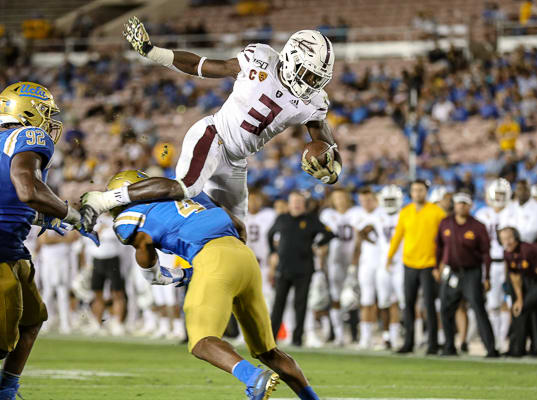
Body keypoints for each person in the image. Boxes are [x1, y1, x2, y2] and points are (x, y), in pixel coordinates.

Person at [80, 17, 342, 230]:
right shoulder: (259, 58)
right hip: (214, 135)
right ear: (290, 58)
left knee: (238, 230)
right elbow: (199, 65)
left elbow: (327, 146)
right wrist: (152, 51)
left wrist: (331, 172)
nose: (312, 84)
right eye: (308, 74)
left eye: (318, 79)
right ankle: (102, 200)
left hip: (237, 161)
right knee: (186, 187)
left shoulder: (313, 101)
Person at [107, 170, 321, 400]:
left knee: (201, 341)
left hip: (212, 259)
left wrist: (153, 275)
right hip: (244, 257)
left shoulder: (131, 214)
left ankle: (253, 377)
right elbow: (238, 225)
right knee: (269, 351)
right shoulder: (194, 196)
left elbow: (144, 243)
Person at [0, 82, 97, 400]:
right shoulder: (28, 136)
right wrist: (71, 214)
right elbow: (26, 188)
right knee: (1, 341)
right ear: (25, 110)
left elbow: (13, 197)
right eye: (45, 112)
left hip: (13, 247)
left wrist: (43, 217)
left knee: (32, 321)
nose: (49, 122)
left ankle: (7, 390)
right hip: (1, 249)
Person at [386, 179, 446, 354]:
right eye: (414, 190)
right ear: (410, 193)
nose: (417, 193)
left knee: (429, 305)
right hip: (409, 263)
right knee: (409, 304)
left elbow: (443, 241)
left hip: (429, 264)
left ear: (426, 192)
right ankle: (409, 342)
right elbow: (398, 235)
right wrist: (389, 256)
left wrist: (440, 263)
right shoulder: (405, 212)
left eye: (420, 190)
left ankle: (433, 344)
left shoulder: (436, 212)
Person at [268, 191, 334, 347]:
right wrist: (273, 252)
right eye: (294, 201)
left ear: (304, 204)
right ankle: (271, 339)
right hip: (283, 268)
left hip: (304, 269)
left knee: (301, 305)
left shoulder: (311, 219)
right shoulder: (282, 218)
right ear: (289, 204)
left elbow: (330, 234)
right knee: (278, 305)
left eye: (299, 201)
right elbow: (270, 235)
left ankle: (297, 339)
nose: (296, 204)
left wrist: (317, 245)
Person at [436, 192, 498, 357]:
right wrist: (437, 266)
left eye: (464, 203)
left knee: (478, 308)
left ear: (470, 206)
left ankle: (491, 348)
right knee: (445, 309)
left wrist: (487, 276)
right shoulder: (445, 223)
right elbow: (439, 247)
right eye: (458, 203)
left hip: (471, 272)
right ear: (454, 205)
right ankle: (449, 346)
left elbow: (486, 253)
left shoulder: (477, 226)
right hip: (452, 272)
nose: (461, 206)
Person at [319, 188, 360, 346]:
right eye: (337, 198)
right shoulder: (327, 215)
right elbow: (322, 240)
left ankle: (357, 335)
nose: (340, 201)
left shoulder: (356, 212)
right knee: (336, 297)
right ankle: (339, 335)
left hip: (353, 261)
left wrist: (355, 261)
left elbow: (359, 239)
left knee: (355, 298)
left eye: (343, 197)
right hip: (334, 261)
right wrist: (321, 263)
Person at [475, 178, 513, 350]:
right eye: (496, 193)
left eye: (501, 194)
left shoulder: (513, 212)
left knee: (510, 302)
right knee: (493, 304)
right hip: (489, 263)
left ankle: (505, 339)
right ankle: (495, 341)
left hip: (510, 262)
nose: (498, 197)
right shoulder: (482, 214)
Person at [349, 187, 383, 349]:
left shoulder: (383, 213)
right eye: (362, 201)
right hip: (366, 262)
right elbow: (358, 242)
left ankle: (387, 336)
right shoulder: (357, 215)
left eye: (369, 200)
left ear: (375, 199)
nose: (366, 204)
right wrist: (353, 265)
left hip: (384, 262)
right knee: (366, 300)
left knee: (385, 302)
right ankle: (366, 337)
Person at [499, 227, 537, 357]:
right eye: (503, 239)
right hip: (527, 282)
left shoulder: (529, 249)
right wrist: (519, 299)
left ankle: (517, 348)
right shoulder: (507, 253)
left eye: (509, 238)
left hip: (534, 281)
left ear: (516, 237)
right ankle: (528, 348)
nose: (507, 242)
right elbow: (515, 277)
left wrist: (522, 303)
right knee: (526, 309)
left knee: (522, 309)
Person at [375, 185, 405, 349]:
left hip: (401, 263)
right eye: (387, 200)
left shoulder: (405, 214)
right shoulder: (377, 216)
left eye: (392, 200)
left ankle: (408, 335)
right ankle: (387, 337)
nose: (389, 203)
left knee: (405, 302)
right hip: (383, 264)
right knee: (384, 302)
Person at [246, 189, 277, 303]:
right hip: (246, 265)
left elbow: (276, 241)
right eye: (251, 199)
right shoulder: (240, 216)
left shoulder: (270, 215)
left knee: (267, 297)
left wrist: (273, 266)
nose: (253, 202)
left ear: (261, 201)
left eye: (256, 199)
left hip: (265, 264)